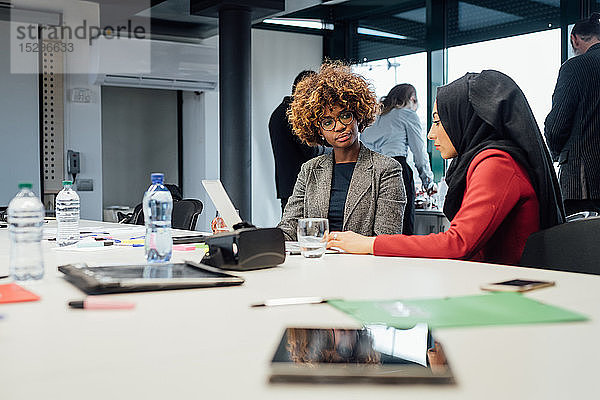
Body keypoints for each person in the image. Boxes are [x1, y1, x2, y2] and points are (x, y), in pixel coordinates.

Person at [327, 70, 565, 266]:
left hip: (511, 294)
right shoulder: (486, 160)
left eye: (438, 121)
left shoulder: (496, 163)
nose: (431, 134)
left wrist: (368, 244)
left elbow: (457, 244)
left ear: (464, 119)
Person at [277, 62, 406, 241]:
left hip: (364, 267)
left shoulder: (386, 169)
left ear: (358, 116)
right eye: (328, 122)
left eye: (345, 116)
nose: (339, 127)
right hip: (315, 265)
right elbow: (289, 229)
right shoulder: (310, 170)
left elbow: (386, 239)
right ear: (319, 131)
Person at [544, 13, 600, 216]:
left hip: (582, 183)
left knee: (582, 246)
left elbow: (557, 125)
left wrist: (558, 153)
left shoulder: (575, 68)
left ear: (574, 39)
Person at [361, 84, 436, 235]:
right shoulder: (407, 114)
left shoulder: (372, 118)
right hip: (397, 169)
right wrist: (428, 182)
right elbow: (419, 154)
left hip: (367, 171)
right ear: (412, 99)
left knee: (372, 227)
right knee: (402, 226)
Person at [269, 70, 327, 213]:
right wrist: (335, 147)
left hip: (288, 186)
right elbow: (310, 150)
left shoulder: (278, 112)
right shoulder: (293, 115)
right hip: (300, 187)